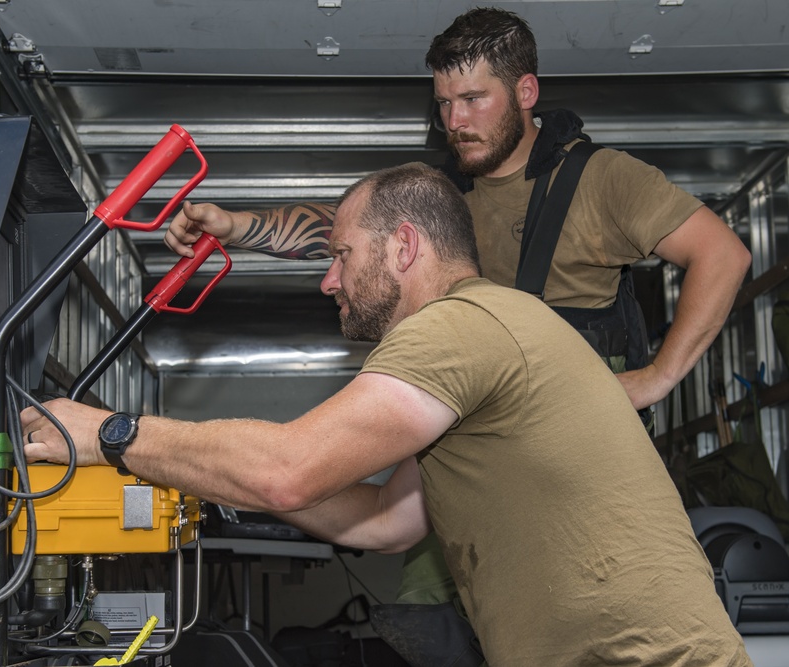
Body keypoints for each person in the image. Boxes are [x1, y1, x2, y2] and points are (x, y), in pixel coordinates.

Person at [161, 8, 753, 658]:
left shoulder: (603, 180)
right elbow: (356, 235)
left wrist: (654, 379)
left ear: (526, 93)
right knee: (429, 614)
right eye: (444, 103)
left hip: (560, 465)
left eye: (473, 99)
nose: (455, 120)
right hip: (467, 433)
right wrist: (237, 224)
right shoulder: (449, 200)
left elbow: (722, 255)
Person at [21, 162, 752, 666]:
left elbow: (290, 470)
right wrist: (205, 472)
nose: (327, 278)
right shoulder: (491, 335)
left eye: (341, 253)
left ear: (404, 247)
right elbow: (382, 522)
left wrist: (110, 433)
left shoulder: (456, 328)